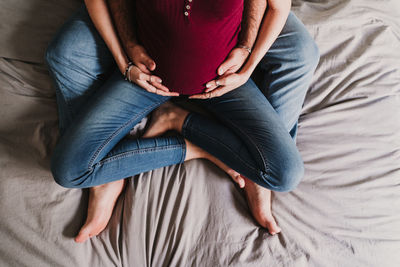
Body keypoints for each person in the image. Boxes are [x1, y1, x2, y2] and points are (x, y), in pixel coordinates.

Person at [45, 0, 319, 243]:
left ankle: (180, 120)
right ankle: (194, 147)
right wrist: (126, 60)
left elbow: (275, 5)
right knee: (70, 170)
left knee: (283, 174)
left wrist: (247, 61)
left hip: (223, 83)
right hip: (149, 81)